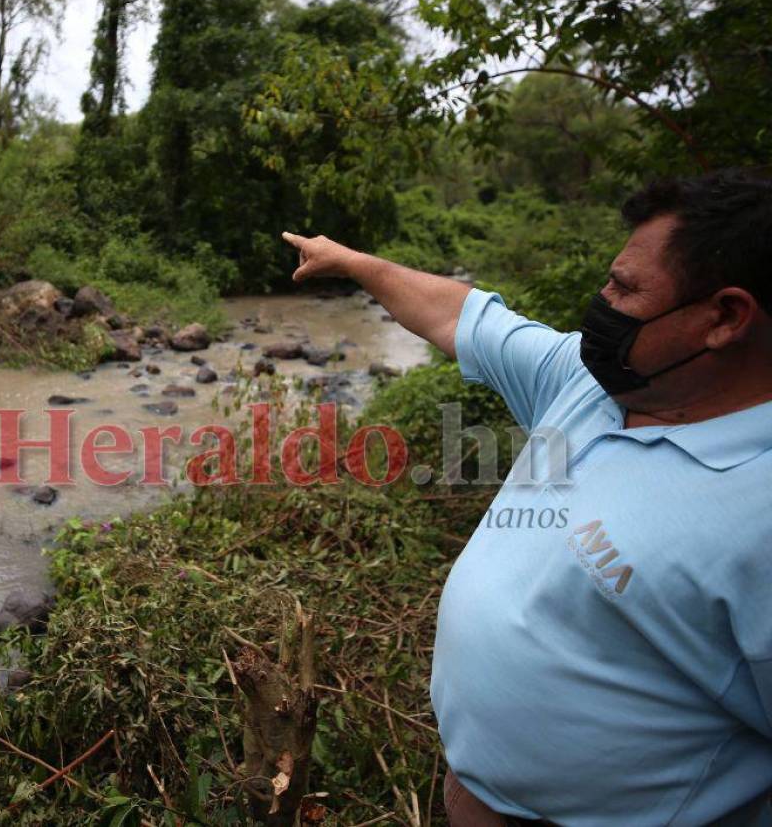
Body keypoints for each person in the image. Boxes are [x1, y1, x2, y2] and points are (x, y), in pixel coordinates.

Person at [282, 169, 772, 826]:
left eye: (624, 289)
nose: (600, 302)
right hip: (472, 795)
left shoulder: (758, 513)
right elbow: (457, 314)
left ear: (725, 318)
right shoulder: (587, 381)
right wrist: (351, 262)